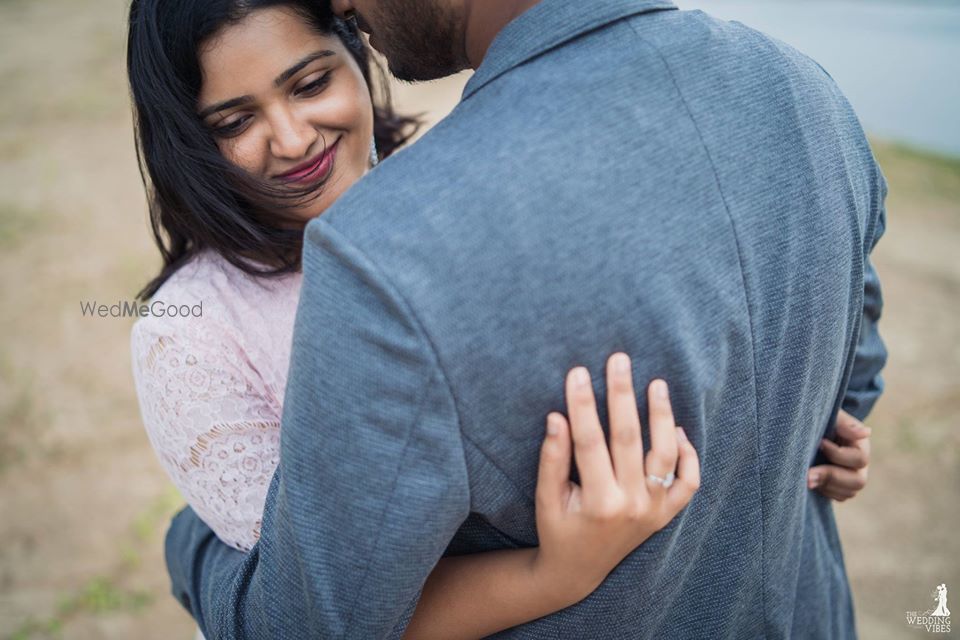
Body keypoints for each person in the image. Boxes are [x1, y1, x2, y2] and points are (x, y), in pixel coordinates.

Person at [139, 0, 886, 637]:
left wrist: (188, 549)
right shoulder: (797, 87)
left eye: (309, 81)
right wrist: (813, 416)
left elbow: (312, 617)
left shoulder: (395, 246)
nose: (294, 138)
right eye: (235, 119)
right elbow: (851, 341)